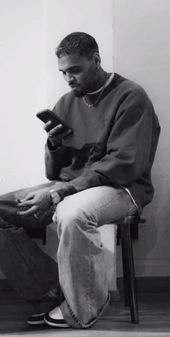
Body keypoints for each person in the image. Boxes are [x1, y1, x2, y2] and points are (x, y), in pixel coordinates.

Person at [0, 32, 160, 329]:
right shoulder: (67, 102)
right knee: (1, 210)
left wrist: (63, 192)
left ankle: (85, 307)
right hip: (72, 187)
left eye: (74, 70)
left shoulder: (131, 96)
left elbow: (124, 165)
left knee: (72, 213)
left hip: (122, 188)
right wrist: (54, 145)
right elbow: (54, 174)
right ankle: (50, 292)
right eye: (63, 72)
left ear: (95, 60)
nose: (68, 79)